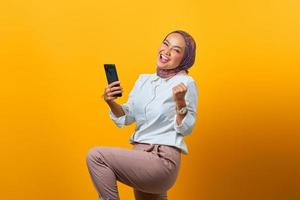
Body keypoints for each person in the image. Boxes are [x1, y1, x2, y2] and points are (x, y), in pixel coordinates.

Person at [86, 30, 199, 200]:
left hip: (161, 160)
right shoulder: (143, 81)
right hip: (140, 157)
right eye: (166, 44)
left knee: (97, 157)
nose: (166, 52)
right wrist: (110, 101)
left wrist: (181, 102)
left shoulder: (185, 83)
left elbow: (186, 128)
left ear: (185, 59)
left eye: (176, 50)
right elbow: (127, 116)